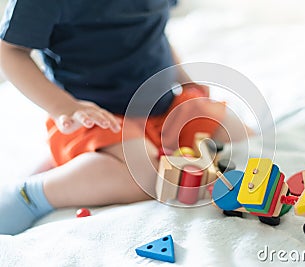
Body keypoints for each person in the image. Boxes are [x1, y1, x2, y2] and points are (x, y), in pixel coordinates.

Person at [0, 0, 251, 235]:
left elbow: (152, 30)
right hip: (97, 118)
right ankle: (32, 194)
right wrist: (64, 107)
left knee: (236, 132)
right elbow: (9, 51)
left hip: (163, 105)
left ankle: (97, 160)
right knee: (148, 180)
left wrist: (184, 78)